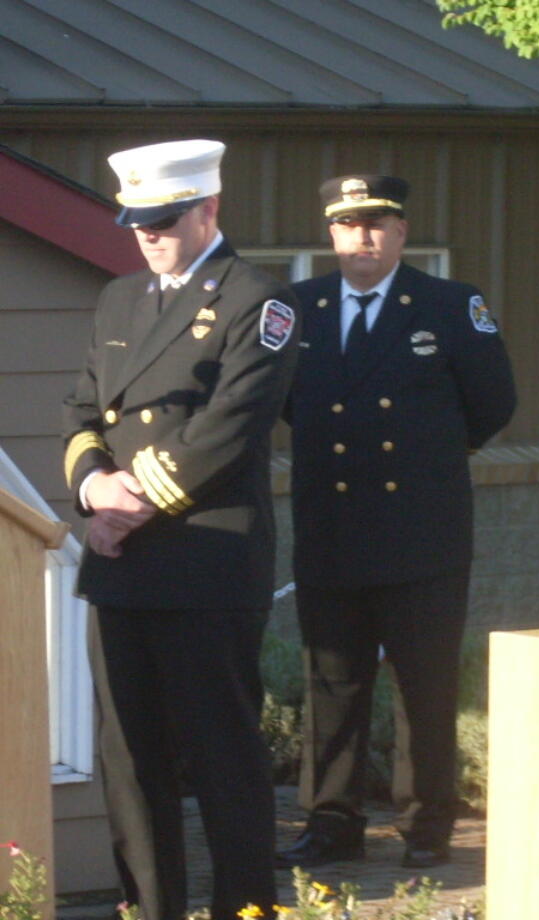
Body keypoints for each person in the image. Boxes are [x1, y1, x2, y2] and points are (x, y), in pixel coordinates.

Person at [62, 139, 298, 920]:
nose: (148, 236)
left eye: (164, 221)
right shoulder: (119, 299)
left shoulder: (257, 301)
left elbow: (230, 429)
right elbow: (83, 410)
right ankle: (150, 908)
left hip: (204, 560)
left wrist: (129, 504)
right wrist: (93, 486)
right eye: (138, 223)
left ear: (210, 209)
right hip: (121, 564)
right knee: (128, 759)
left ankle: (244, 907)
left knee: (221, 753)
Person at [276, 175, 516, 871]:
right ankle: (331, 825)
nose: (363, 238)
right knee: (332, 687)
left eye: (378, 224)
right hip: (333, 528)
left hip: (422, 532)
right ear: (331, 234)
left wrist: (428, 456)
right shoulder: (300, 308)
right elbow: (292, 404)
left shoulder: (447, 305)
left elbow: (494, 401)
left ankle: (426, 827)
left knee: (424, 687)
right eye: (349, 225)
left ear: (403, 233)